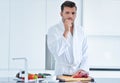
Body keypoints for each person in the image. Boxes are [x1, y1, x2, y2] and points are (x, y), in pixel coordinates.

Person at [47, 0, 89, 77]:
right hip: (61, 73)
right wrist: (66, 32)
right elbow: (56, 51)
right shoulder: (53, 30)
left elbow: (85, 53)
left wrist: (82, 70)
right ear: (61, 14)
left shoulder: (81, 31)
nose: (70, 16)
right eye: (67, 13)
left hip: (78, 74)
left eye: (73, 13)